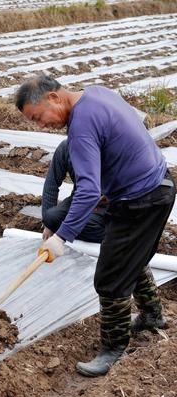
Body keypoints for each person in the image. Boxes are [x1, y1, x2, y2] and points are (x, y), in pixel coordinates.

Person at [16, 74, 175, 377]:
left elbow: (87, 190)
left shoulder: (81, 127)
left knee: (109, 278)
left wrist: (61, 236)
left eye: (38, 118)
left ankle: (113, 348)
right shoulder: (97, 93)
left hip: (141, 199)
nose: (40, 125)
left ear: (53, 97)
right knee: (130, 257)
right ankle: (152, 315)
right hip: (156, 187)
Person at [42, 138, 105, 243]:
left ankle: (114, 236)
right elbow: (51, 184)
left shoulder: (107, 148)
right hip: (80, 198)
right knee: (50, 217)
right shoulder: (65, 147)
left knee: (89, 224)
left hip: (107, 202)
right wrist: (49, 225)